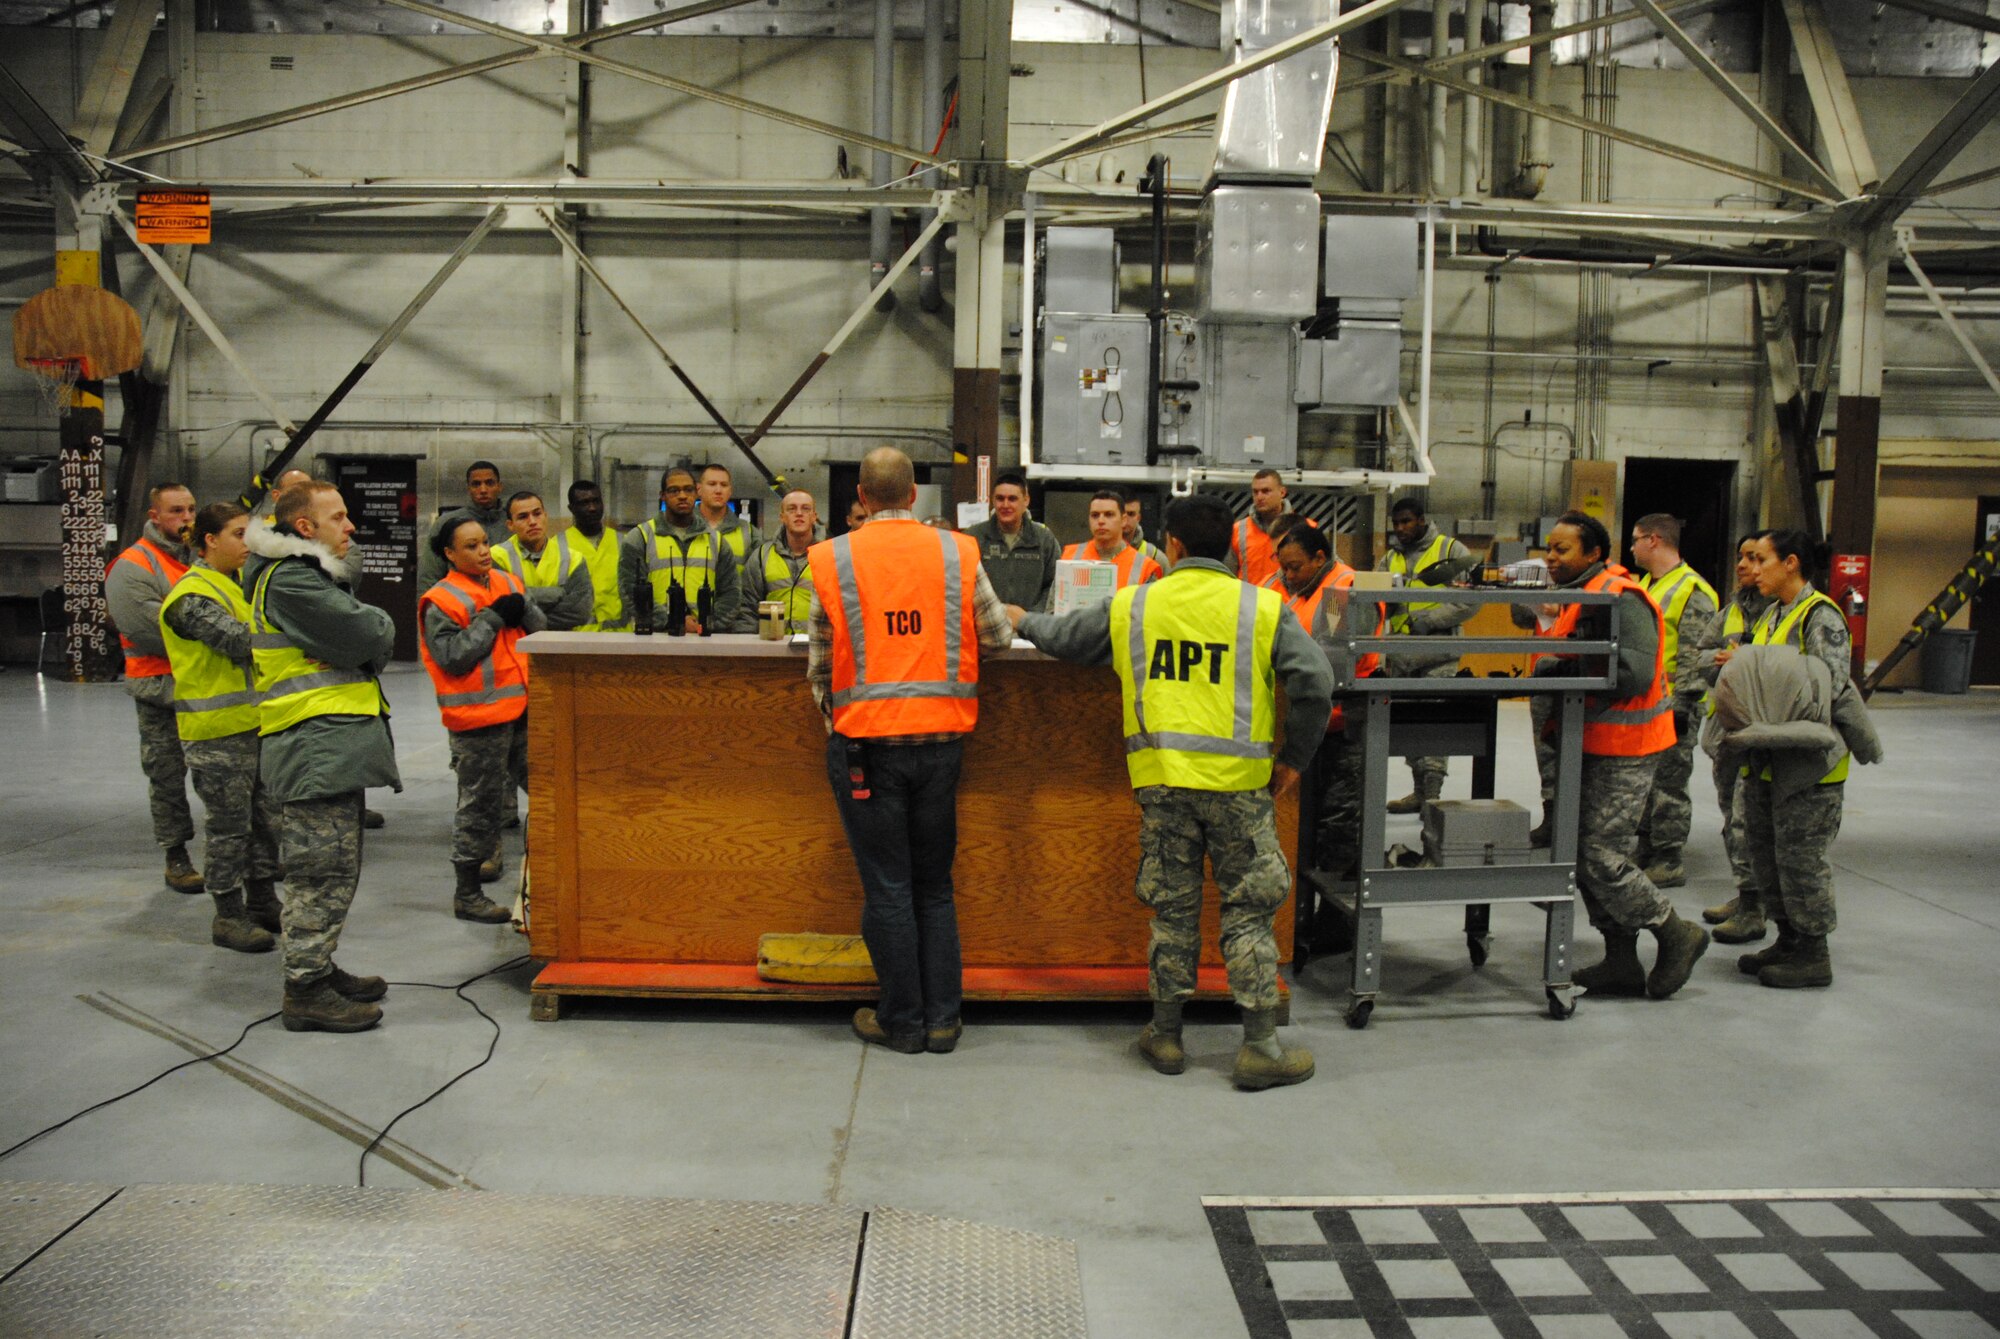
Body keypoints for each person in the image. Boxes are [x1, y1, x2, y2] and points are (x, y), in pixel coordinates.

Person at [1010, 493, 1334, 1090]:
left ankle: (1165, 1035)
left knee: (1173, 908)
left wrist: (1019, 618)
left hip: (1161, 784)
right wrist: (1293, 760)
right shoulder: (1262, 607)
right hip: (1240, 788)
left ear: (1174, 546)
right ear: (1233, 550)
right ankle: (1261, 1047)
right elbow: (1315, 681)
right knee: (1248, 910)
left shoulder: (1135, 605)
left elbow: (1063, 638)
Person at [807, 447, 1015, 1055]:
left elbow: (819, 664)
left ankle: (901, 1021)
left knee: (889, 888)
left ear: (863, 499)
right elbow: (998, 637)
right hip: (944, 742)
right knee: (935, 886)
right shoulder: (957, 551)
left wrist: (838, 721)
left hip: (867, 746)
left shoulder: (833, 557)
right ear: (915, 496)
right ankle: (944, 1021)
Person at [1532, 511, 1709, 1001]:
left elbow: (1630, 673)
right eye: (1549, 547)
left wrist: (1558, 668)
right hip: (1588, 741)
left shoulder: (1620, 597)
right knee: (1580, 850)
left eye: (1563, 549)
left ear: (1594, 554)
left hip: (1624, 747)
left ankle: (1674, 930)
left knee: (1599, 852)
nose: (1551, 556)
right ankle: (1621, 959)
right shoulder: (1581, 594)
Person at [244, 480, 399, 1033]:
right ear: (304, 528)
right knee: (320, 872)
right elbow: (368, 633)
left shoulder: (304, 576)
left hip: (327, 743)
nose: (350, 526)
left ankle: (318, 967)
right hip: (314, 745)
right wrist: (377, 626)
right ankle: (304, 989)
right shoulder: (291, 581)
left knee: (334, 867)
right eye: (338, 517)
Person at [1723, 530, 1853, 989]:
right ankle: (1788, 939)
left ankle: (1814, 953)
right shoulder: (1774, 613)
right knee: (1767, 855)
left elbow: (1828, 688)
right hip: (1767, 758)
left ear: (1791, 563)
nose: (1751, 569)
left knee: (1801, 860)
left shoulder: (1821, 617)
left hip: (1807, 767)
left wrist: (1759, 680)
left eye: (1760, 559)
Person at [158, 502, 283, 954]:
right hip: (216, 733)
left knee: (265, 822)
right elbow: (237, 641)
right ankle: (228, 914)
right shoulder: (191, 595)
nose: (247, 544)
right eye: (237, 534)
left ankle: (264, 900)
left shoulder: (235, 586)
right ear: (209, 541)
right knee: (230, 827)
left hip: (255, 724)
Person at [421, 515, 543, 923]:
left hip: (523, 710)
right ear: (450, 554)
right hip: (478, 719)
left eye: (484, 543)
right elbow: (453, 657)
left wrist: (523, 609)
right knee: (480, 806)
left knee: (549, 791)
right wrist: (492, 618)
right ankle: (467, 894)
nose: (483, 551)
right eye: (470, 547)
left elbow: (538, 630)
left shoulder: (508, 583)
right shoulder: (442, 599)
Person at [106, 482, 202, 894]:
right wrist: (214, 635)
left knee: (228, 778)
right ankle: (175, 855)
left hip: (206, 689)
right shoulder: (133, 565)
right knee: (166, 777)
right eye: (176, 511)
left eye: (191, 510)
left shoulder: (201, 559)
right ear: (155, 516)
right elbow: (149, 630)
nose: (186, 519)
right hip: (159, 691)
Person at [1681, 533, 1774, 940]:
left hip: (1763, 731)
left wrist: (1745, 662)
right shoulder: (1733, 609)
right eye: (1740, 557)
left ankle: (1756, 907)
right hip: (1726, 735)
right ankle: (1746, 892)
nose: (1742, 565)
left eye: (1754, 558)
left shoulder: (1787, 611)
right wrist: (1717, 661)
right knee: (1730, 818)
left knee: (1747, 821)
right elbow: (1698, 653)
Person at [1628, 513, 1718, 889]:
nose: (1631, 546)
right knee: (1646, 782)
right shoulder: (1648, 583)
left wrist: (1682, 705)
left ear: (1653, 540)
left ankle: (1669, 857)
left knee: (1669, 784)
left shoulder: (1692, 589)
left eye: (1635, 539)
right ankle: (1647, 846)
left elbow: (1696, 655)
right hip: (1647, 702)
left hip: (1674, 704)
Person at [1377, 496, 1475, 814]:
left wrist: (1429, 621)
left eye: (1407, 521)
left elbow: (1471, 599)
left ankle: (1432, 796)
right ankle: (1419, 792)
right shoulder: (1390, 557)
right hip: (1401, 656)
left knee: (1432, 726)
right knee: (1408, 728)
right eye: (1396, 523)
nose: (1401, 528)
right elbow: (1374, 596)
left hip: (1439, 655)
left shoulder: (1451, 551)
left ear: (1421, 520)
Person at [618, 464, 741, 634]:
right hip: (655, 637)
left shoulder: (716, 541)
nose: (682, 496)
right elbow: (630, 593)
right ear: (662, 496)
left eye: (688, 490)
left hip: (705, 638)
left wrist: (704, 623)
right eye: (674, 490)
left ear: (696, 493)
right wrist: (672, 621)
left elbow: (731, 593)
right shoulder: (640, 537)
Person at [492, 490, 594, 630]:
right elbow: (500, 610)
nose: (532, 522)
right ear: (510, 525)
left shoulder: (573, 559)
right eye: (523, 517)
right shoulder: (496, 557)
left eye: (537, 514)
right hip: (515, 648)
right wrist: (555, 594)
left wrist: (524, 605)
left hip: (559, 648)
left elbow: (580, 613)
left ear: (545, 516)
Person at [965, 471, 1061, 611]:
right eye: (1000, 498)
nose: (1005, 505)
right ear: (993, 500)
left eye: (1012, 499)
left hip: (1029, 628)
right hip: (986, 628)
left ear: (1026, 500)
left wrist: (1031, 618)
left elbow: (1053, 585)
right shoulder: (973, 537)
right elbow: (963, 584)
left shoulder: (1044, 539)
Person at [417, 459, 511, 588]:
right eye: (476, 484)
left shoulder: (513, 523)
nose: (483, 489)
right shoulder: (447, 523)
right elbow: (429, 575)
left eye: (489, 483)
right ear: (469, 489)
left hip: (507, 602)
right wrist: (426, 607)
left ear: (499, 486)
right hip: (461, 602)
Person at [736, 488, 817, 634]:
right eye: (791, 509)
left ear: (814, 517)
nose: (799, 513)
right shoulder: (761, 557)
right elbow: (747, 609)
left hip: (817, 649)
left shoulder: (830, 556)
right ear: (782, 517)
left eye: (805, 509)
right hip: (773, 648)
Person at [1062, 490, 1164, 589]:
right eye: (1095, 515)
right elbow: (1054, 602)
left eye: (1109, 514)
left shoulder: (1145, 567)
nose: (1101, 521)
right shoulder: (1069, 556)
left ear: (1123, 520)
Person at [563, 479, 625, 631]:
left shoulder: (622, 541)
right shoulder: (558, 545)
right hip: (577, 638)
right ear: (571, 508)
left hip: (620, 637)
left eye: (596, 501)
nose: (592, 508)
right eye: (584, 503)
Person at [1226, 469, 1294, 588]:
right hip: (1249, 604)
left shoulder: (1304, 528)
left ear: (1282, 492)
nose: (1259, 497)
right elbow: (1227, 577)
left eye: (1265, 491)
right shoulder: (1237, 531)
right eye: (1255, 492)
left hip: (1288, 605)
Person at [697, 462, 758, 562]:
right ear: (699, 489)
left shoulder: (749, 532)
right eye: (712, 484)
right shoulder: (682, 527)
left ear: (730, 491)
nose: (718, 490)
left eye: (724, 485)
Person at [1121, 491, 1168, 572]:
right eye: (1121, 514)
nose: (1125, 519)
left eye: (1131, 514)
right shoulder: (1096, 552)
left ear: (1138, 518)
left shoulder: (1155, 557)